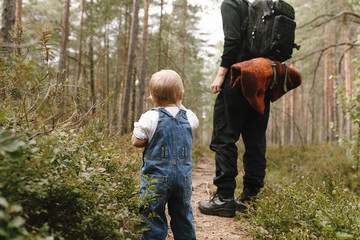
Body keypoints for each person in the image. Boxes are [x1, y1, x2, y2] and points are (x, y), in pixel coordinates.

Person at [198, 0, 271, 218]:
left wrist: (221, 75)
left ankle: (224, 198)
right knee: (255, 139)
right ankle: (250, 198)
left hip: (238, 77)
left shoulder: (231, 4)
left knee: (224, 138)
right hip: (262, 78)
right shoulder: (257, 9)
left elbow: (232, 41)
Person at [132, 69, 199, 240]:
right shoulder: (189, 117)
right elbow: (188, 115)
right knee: (182, 214)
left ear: (153, 98)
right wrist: (179, 102)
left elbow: (136, 141)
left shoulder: (150, 117)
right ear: (180, 96)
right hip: (182, 179)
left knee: (152, 214)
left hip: (156, 177)